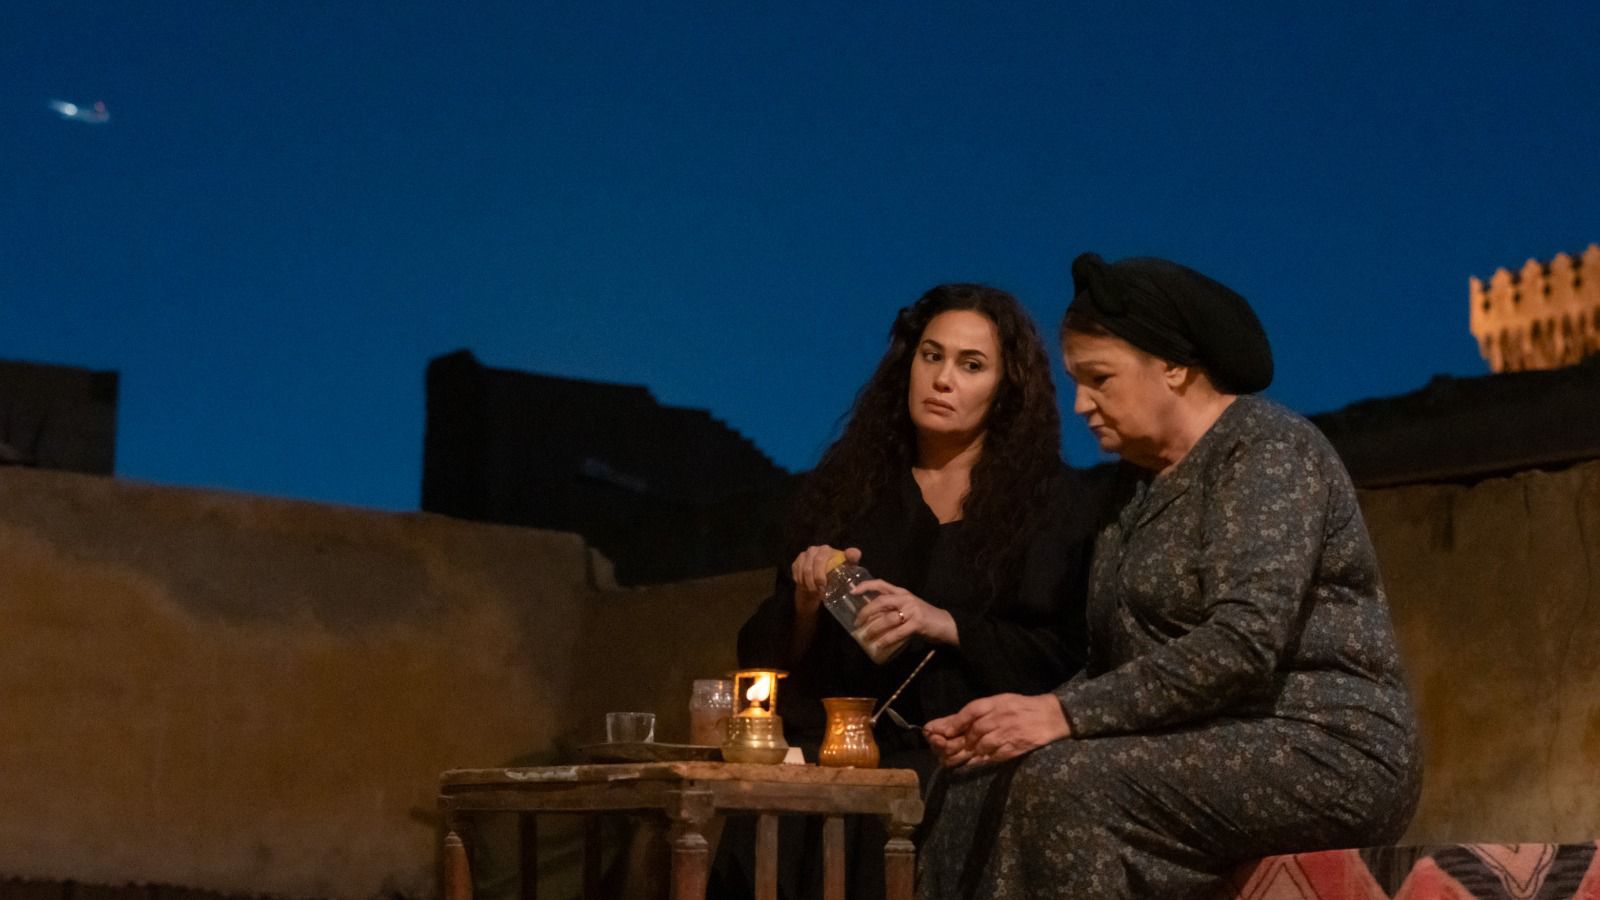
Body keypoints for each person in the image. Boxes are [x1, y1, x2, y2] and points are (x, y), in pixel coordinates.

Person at [918, 253, 1422, 900]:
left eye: (1100, 379)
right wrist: (999, 724)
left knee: (1067, 787)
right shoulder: (1133, 485)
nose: (1081, 404)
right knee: (969, 784)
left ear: (1174, 367)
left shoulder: (1267, 451)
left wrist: (1060, 714)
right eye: (1076, 381)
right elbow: (1114, 662)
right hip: (1196, 738)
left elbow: (1243, 645)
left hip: (1324, 745)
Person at [714, 283, 1107, 900]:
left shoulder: (1055, 506)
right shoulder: (849, 491)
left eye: (971, 365)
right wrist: (807, 602)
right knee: (768, 811)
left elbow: (1072, 655)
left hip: (970, 757)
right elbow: (763, 661)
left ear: (1005, 388)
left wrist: (946, 623)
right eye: (932, 356)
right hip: (843, 751)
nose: (943, 379)